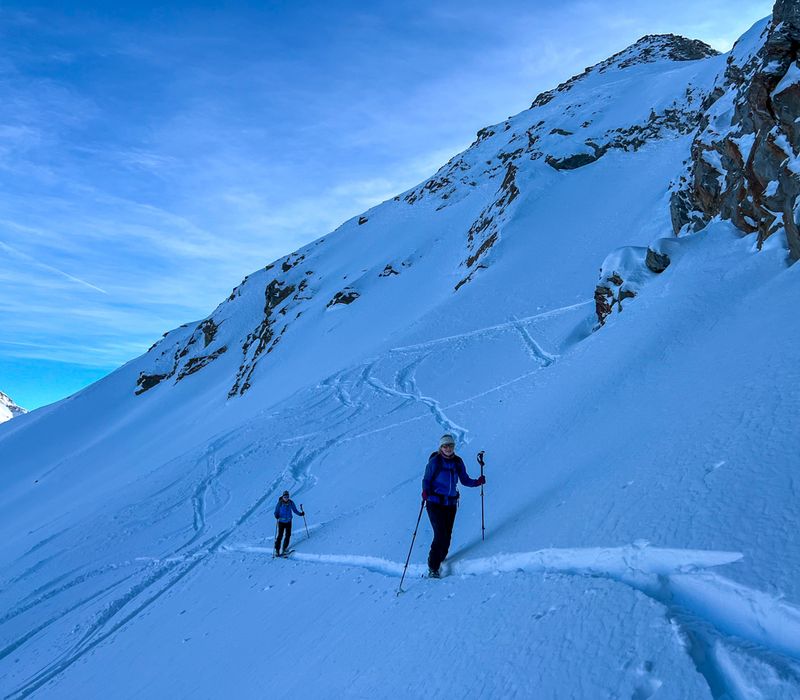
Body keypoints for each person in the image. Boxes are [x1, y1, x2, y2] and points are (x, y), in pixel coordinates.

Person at [422, 433, 485, 577]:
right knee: (440, 534)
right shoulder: (435, 462)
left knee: (447, 535)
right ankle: (433, 567)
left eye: (450, 445)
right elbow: (426, 479)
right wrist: (425, 492)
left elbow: (464, 480)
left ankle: (441, 557)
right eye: (445, 446)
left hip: (450, 504)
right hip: (434, 503)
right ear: (441, 447)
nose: (448, 448)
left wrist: (477, 482)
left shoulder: (457, 462)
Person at [274, 490, 305, 556]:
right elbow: (276, 511)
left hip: (288, 521)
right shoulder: (280, 503)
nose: (286, 498)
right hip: (281, 522)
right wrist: (276, 515)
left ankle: (284, 548)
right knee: (280, 536)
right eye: (285, 497)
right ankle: (277, 550)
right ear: (283, 497)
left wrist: (300, 514)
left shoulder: (291, 503)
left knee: (288, 535)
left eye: (287, 497)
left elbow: (294, 510)